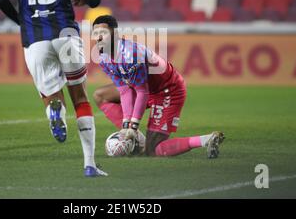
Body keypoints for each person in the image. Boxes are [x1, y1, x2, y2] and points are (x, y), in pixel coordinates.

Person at [0, 0, 107, 177]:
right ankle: (90, 165)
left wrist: (22, 21)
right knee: (79, 97)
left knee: (50, 95)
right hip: (66, 33)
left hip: (34, 39)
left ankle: (53, 111)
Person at [91, 15, 225, 158]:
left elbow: (142, 92)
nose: (99, 37)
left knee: (153, 150)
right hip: (147, 88)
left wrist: (134, 125)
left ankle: (206, 139)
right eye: (96, 33)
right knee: (100, 95)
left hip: (167, 90)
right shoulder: (103, 56)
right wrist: (126, 126)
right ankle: (134, 138)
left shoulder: (131, 55)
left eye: (103, 33)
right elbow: (124, 91)